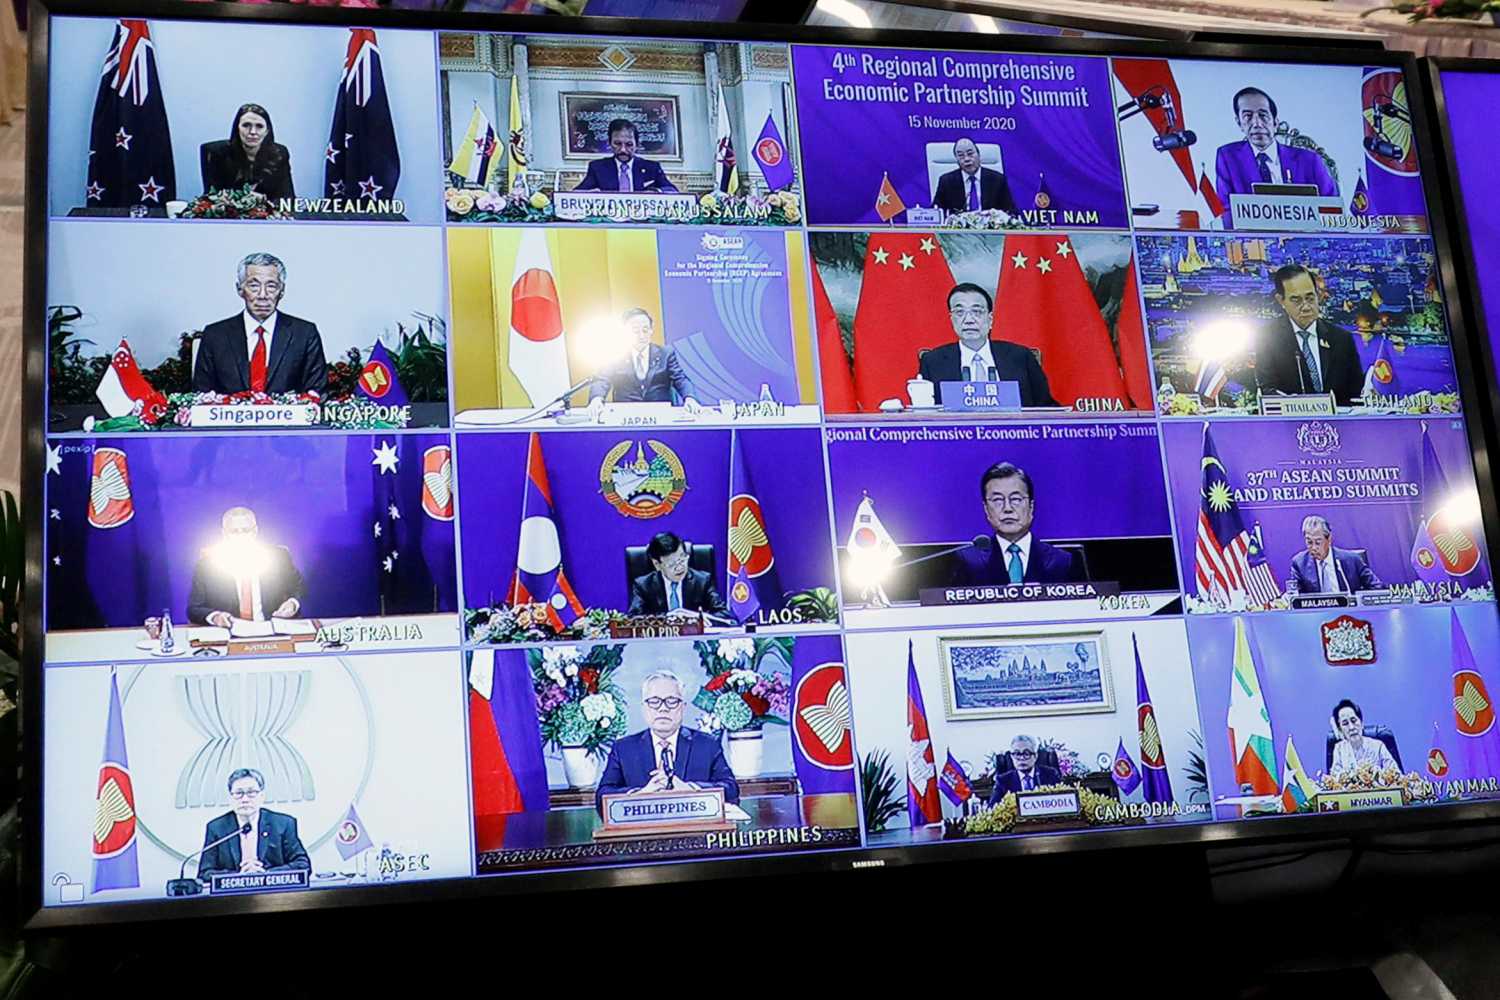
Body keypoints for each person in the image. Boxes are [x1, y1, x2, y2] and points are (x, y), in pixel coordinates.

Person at [594, 670, 739, 814]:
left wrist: (691, 790)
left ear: (683, 707)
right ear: (644, 708)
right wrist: (639, 794)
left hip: (693, 829)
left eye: (671, 701)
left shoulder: (707, 745)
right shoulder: (624, 748)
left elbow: (731, 789)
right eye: (654, 701)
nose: (663, 708)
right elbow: (602, 796)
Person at [192, 252, 329, 396]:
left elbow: (316, 392)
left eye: (271, 286)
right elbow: (201, 395)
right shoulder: (215, 335)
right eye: (254, 285)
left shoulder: (304, 334)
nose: (263, 295)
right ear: (240, 289)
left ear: (282, 290)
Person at [916, 284, 1057, 407]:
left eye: (977, 311)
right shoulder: (933, 362)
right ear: (952, 320)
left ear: (990, 320)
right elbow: (925, 413)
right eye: (959, 312)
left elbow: (1046, 406)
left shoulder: (1020, 357)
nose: (969, 320)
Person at [951, 462, 1085, 586]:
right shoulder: (968, 561)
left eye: (1015, 499)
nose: (1007, 508)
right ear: (986, 509)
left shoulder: (1062, 562)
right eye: (997, 500)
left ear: (1031, 507)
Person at [1254, 264, 1365, 406]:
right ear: (1281, 300)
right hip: (1290, 424)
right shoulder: (1267, 339)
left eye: (1310, 297)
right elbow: (1268, 390)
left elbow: (1356, 393)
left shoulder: (1342, 339)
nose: (1306, 306)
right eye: (1296, 300)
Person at [1213, 87, 1337, 209]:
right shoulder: (1228, 157)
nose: (1257, 124)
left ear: (1275, 122)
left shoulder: (1310, 160)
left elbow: (1333, 208)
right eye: (1248, 117)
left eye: (1263, 115)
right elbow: (1226, 209)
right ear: (1239, 123)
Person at [187, 507, 307, 626]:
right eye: (234, 531)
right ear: (224, 534)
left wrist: (293, 603)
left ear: (255, 531)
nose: (241, 536)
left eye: (245, 530)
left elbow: (298, 586)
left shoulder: (278, 557)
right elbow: (194, 609)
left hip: (271, 628)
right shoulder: (207, 566)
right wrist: (216, 617)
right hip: (229, 631)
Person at [196, 768, 311, 880]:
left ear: (262, 796)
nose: (245, 799)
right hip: (231, 896)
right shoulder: (216, 828)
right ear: (230, 797)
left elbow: (303, 865)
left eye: (251, 792)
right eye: (239, 793)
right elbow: (205, 873)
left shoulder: (283, 824)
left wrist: (265, 874)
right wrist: (238, 876)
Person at [587, 308, 702, 414]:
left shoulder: (665, 354)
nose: (641, 335)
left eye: (645, 330)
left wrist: (690, 398)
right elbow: (602, 379)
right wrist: (597, 399)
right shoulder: (615, 355)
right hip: (625, 415)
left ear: (651, 330)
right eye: (635, 331)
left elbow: (680, 378)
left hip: (661, 414)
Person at [200, 103, 296, 201]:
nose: (253, 132)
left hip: (267, 213)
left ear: (267, 131)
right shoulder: (216, 153)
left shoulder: (280, 153)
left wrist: (263, 201)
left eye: (259, 126)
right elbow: (212, 197)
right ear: (237, 129)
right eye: (246, 125)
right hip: (228, 213)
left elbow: (288, 199)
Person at [627, 532, 727, 618]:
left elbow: (725, 615)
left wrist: (699, 618)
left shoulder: (703, 581)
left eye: (682, 559)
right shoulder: (643, 586)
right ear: (657, 564)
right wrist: (669, 619)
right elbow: (634, 618)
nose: (680, 568)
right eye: (672, 564)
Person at [573, 119, 678, 193]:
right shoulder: (598, 168)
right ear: (609, 143)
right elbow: (576, 193)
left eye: (629, 144)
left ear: (637, 144)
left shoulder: (652, 168)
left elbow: (672, 191)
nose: (623, 150)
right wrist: (590, 194)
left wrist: (657, 192)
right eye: (617, 144)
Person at [1287, 515, 1381, 595]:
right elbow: (1295, 596)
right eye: (1309, 542)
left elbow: (1377, 588)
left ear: (1329, 539)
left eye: (1318, 542)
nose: (1314, 547)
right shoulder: (1300, 563)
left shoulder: (1352, 560)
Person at [932, 137, 1018, 217]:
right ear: (956, 159)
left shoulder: (997, 179)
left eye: (970, 154)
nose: (966, 159)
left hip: (990, 230)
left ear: (979, 155)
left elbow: (1010, 211)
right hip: (958, 231)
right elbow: (935, 211)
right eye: (961, 155)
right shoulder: (946, 181)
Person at [1329, 699, 1397, 776]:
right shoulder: (1339, 749)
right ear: (1340, 729)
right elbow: (1335, 779)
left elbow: (1395, 773)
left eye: (1354, 721)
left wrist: (1380, 774)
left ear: (1361, 723)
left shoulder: (1378, 746)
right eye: (1345, 724)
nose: (1351, 727)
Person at [987, 735, 1063, 804]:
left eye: (1026, 754)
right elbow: (992, 808)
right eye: (1017, 754)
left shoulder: (1051, 774)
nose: (1022, 758)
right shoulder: (1003, 781)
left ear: (1035, 756)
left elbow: (1062, 802)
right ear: (1011, 757)